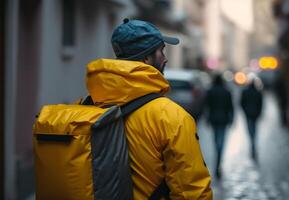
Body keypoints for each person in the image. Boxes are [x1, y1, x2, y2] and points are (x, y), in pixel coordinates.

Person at [85, 19, 212, 199]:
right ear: (146, 58)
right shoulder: (170, 117)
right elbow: (192, 191)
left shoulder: (89, 104)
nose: (165, 58)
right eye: (161, 51)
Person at [204, 74, 234, 179]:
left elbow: (207, 105)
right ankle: (218, 160)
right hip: (223, 119)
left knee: (216, 138)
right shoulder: (227, 91)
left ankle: (218, 155)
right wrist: (231, 119)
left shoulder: (210, 91)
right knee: (221, 140)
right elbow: (231, 107)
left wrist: (207, 118)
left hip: (214, 119)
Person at [240, 80, 263, 161]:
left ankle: (252, 144)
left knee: (250, 130)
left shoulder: (245, 92)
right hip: (255, 114)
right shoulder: (258, 92)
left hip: (248, 114)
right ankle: (253, 145)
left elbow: (241, 103)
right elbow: (260, 104)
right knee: (253, 130)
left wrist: (245, 111)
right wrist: (259, 113)